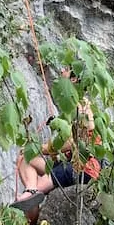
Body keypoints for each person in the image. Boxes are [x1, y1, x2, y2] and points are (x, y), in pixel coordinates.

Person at [13, 73, 101, 210]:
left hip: (84, 167)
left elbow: (82, 133)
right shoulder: (72, 106)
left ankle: (32, 192)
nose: (60, 75)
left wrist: (42, 149)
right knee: (26, 158)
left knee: (38, 188)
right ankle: (30, 190)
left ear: (73, 80)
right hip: (69, 162)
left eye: (65, 73)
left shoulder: (82, 104)